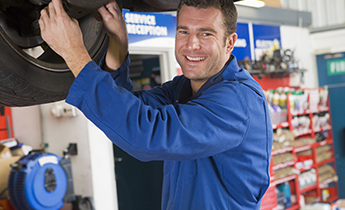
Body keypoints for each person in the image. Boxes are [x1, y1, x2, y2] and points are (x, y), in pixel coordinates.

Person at [39, 0, 273, 209]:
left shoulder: (238, 101)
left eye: (206, 34)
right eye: (183, 31)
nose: (191, 45)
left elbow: (147, 135)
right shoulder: (184, 88)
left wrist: (74, 53)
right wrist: (118, 42)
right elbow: (127, 109)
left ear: (230, 42)